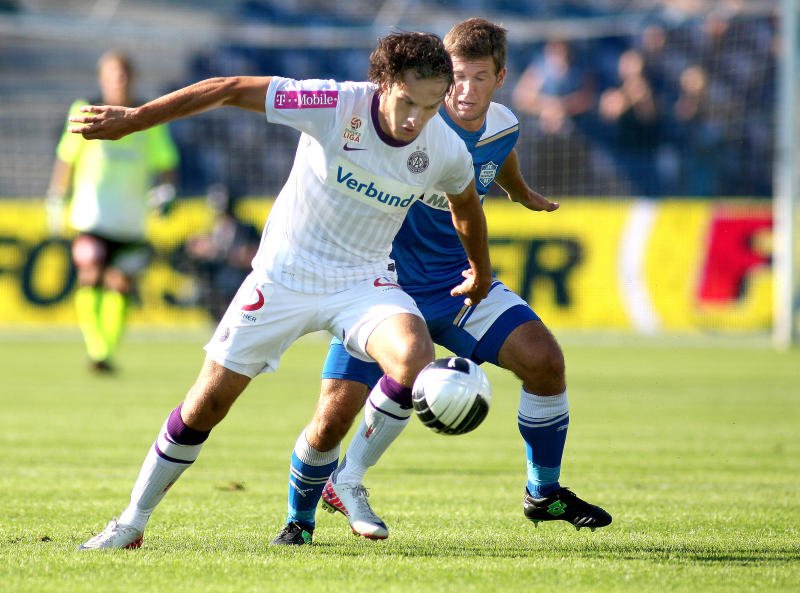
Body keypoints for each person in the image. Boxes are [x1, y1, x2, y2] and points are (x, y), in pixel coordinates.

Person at [72, 31, 492, 550]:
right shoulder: (333, 104)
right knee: (206, 406)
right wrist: (136, 119)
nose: (416, 120)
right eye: (408, 102)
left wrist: (480, 271)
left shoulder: (443, 146)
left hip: (363, 282)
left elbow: (466, 205)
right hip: (283, 277)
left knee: (413, 358)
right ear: (382, 83)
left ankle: (348, 478)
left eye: (430, 107)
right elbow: (228, 88)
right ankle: (131, 522)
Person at [272, 18, 611, 547]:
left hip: (459, 285)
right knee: (334, 416)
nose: (465, 91)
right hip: (380, 287)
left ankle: (543, 493)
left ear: (501, 78)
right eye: (457, 77)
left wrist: (519, 191)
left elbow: (497, 156)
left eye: (480, 78)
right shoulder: (412, 124)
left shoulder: (503, 125)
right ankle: (300, 520)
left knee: (545, 361)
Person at [46, 50, 179, 373]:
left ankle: (105, 350)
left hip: (131, 220)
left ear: (132, 78)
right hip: (92, 215)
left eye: (123, 74)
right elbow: (67, 157)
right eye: (112, 74)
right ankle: (97, 350)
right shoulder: (85, 110)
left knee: (120, 285)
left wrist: (167, 190)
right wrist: (56, 197)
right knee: (90, 273)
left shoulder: (147, 115)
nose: (118, 80)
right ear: (102, 78)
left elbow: (166, 161)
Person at [175, 184, 260, 321]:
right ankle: (189, 297)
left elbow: (254, 256)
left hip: (239, 277)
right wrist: (199, 249)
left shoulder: (247, 230)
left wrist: (229, 253)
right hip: (216, 278)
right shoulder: (212, 229)